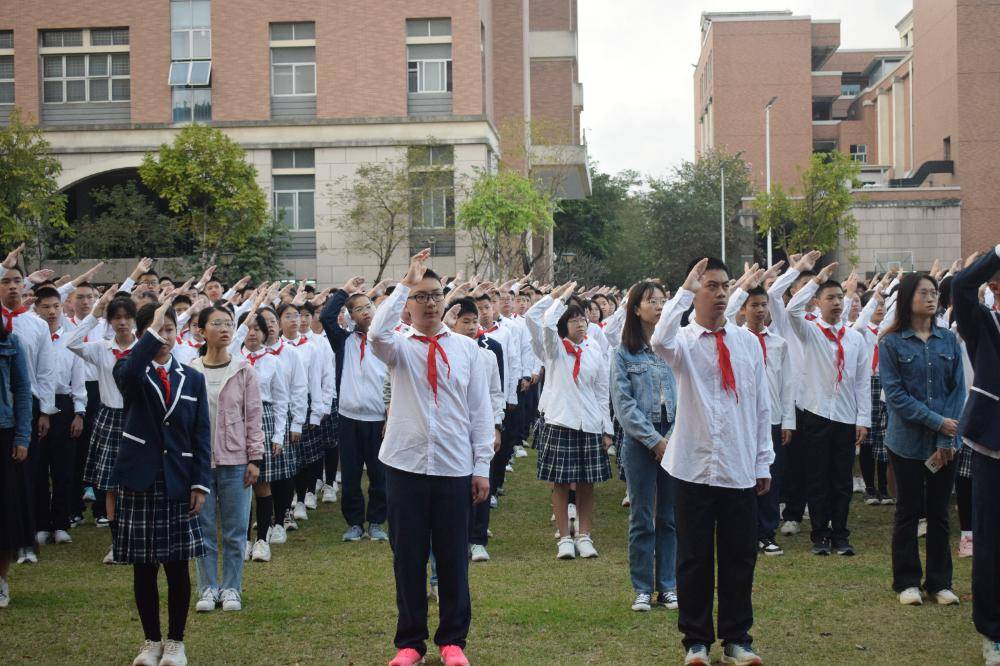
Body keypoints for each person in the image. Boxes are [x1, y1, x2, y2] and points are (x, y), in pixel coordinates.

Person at [370, 249, 492, 666]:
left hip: (454, 467)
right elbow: (375, 334)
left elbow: (480, 413)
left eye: (436, 294)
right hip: (405, 466)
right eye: (420, 296)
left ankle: (453, 640)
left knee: (454, 555)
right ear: (407, 305)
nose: (430, 302)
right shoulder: (399, 348)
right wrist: (404, 283)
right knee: (407, 557)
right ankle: (410, 643)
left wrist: (481, 468)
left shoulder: (467, 350)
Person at [650, 257, 772, 666]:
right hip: (693, 466)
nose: (719, 294)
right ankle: (696, 641)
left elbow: (759, 404)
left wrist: (762, 462)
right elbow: (659, 340)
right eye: (711, 286)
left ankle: (737, 638)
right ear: (696, 292)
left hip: (737, 465)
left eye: (724, 286)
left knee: (739, 557)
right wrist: (683, 290)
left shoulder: (747, 342)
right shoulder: (683, 341)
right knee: (694, 557)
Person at [112, 299, 211, 666]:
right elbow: (132, 370)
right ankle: (150, 640)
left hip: (179, 481)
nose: (165, 337)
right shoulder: (130, 369)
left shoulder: (192, 377)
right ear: (143, 337)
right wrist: (149, 334)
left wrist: (200, 483)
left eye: (170, 329)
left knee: (176, 564)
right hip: (141, 480)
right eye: (157, 331)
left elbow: (201, 434)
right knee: (143, 566)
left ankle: (176, 642)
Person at [878, 273, 965, 607]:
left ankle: (940, 582)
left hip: (944, 444)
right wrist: (938, 422)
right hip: (906, 442)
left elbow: (958, 388)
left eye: (934, 293)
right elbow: (896, 395)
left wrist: (948, 435)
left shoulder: (948, 340)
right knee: (908, 510)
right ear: (907, 299)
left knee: (940, 512)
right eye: (923, 293)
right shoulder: (891, 342)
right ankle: (907, 581)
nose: (931, 298)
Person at [785, 252, 871, 556]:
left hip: (846, 416)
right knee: (817, 476)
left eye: (839, 297)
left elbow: (862, 382)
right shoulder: (810, 331)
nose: (836, 302)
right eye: (829, 297)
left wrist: (864, 419)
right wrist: (815, 281)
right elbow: (791, 310)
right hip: (817, 413)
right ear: (818, 303)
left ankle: (841, 534)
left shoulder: (855, 338)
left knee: (841, 478)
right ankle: (819, 534)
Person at [526, 282, 614, 560]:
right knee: (561, 482)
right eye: (573, 319)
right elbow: (538, 320)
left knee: (587, 483)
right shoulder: (554, 350)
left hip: (589, 423)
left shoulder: (593, 350)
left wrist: (606, 429)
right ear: (565, 324)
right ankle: (564, 537)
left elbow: (602, 392)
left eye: (582, 319)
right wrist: (558, 298)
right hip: (560, 421)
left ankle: (584, 535)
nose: (580, 323)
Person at [188, 305, 264, 614]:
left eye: (228, 323)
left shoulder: (244, 369)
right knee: (203, 531)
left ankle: (232, 588)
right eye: (216, 323)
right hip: (201, 464)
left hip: (236, 462)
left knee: (235, 531)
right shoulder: (190, 370)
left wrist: (254, 458)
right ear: (201, 331)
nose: (224, 328)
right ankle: (208, 587)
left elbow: (253, 416)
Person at [611, 281, 679, 612]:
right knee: (641, 516)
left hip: (675, 438)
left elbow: (687, 395)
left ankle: (667, 585)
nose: (660, 306)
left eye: (663, 301)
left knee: (668, 515)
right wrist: (655, 440)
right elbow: (624, 407)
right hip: (640, 441)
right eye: (652, 301)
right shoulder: (623, 352)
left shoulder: (674, 347)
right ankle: (642, 586)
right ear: (636, 308)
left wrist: (673, 438)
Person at [951, 244, 1000, 666]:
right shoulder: (984, 324)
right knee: (991, 544)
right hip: (993, 449)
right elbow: (961, 286)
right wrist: (997, 252)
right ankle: (993, 633)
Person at [66, 289, 138, 564]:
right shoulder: (101, 349)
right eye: (116, 318)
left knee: (137, 483)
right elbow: (70, 343)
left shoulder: (143, 347)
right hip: (110, 417)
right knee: (110, 485)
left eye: (127, 317)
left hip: (138, 419)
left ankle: (136, 539)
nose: (121, 322)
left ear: (133, 320)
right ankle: (117, 543)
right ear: (109, 321)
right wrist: (93, 316)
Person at [319, 277, 390, 542]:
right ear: (350, 316)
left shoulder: (385, 340)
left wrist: (389, 414)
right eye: (358, 309)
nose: (365, 312)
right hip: (348, 418)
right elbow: (326, 317)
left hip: (378, 418)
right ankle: (354, 523)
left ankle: (376, 522)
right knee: (349, 475)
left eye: (368, 305)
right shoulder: (344, 341)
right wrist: (345, 291)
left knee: (378, 474)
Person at [729, 282, 796, 557]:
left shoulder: (779, 343)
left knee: (770, 475)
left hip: (772, 418)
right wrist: (740, 288)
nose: (759, 310)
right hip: (743, 418)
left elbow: (787, 384)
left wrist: (788, 421)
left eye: (763, 304)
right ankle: (745, 532)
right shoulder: (734, 339)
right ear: (743, 309)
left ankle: (767, 532)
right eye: (753, 305)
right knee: (743, 475)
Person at [444, 297, 504, 562]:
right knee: (456, 486)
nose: (470, 327)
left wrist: (496, 427)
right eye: (465, 321)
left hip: (481, 429)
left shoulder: (487, 356)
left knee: (482, 480)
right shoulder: (444, 353)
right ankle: (457, 536)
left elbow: (494, 394)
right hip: (453, 430)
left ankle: (478, 539)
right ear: (452, 324)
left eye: (474, 321)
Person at [29, 286, 87, 547]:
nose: (52, 312)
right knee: (38, 468)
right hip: (37, 404)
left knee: (64, 468)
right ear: (36, 308)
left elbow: (79, 381)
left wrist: (79, 413)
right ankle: (41, 523)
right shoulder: (29, 337)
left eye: (56, 306)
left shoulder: (71, 338)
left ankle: (62, 523)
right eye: (45, 307)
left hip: (64, 406)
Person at [239, 309, 289, 563]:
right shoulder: (234, 360)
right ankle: (244, 538)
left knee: (262, 481)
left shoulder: (273, 361)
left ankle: (262, 538)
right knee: (240, 483)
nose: (252, 334)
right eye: (247, 329)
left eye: (257, 329)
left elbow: (281, 400)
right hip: (237, 420)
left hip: (265, 419)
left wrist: (278, 435)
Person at [0, 318, 34, 607]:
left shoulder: (10, 343)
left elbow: (23, 390)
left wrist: (23, 436)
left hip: (3, 431)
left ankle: (1, 581)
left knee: (4, 512)